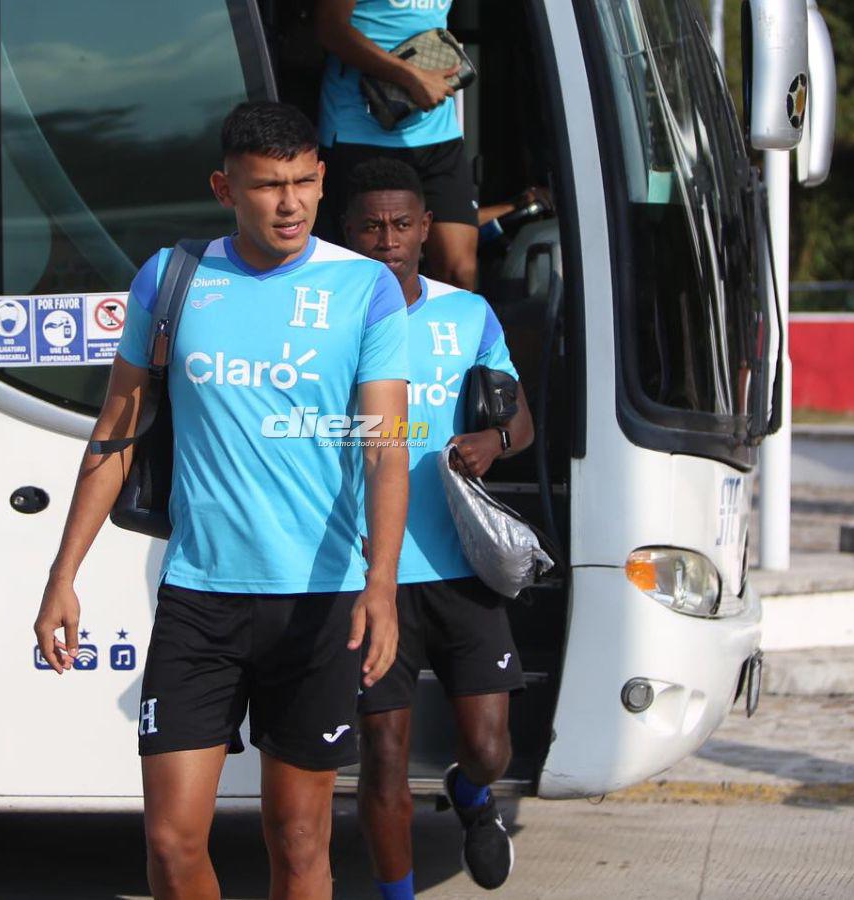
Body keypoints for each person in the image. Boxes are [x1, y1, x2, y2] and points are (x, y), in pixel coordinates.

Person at [33, 102, 411, 900]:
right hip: (200, 599)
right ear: (224, 187)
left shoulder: (364, 288)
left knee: (299, 838)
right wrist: (63, 573)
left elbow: (386, 449)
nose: (291, 204)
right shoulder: (170, 279)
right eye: (269, 186)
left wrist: (381, 582)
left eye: (305, 182)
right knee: (171, 843)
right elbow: (117, 431)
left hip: (320, 602)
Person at [341, 157, 534, 898]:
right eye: (370, 226)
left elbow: (518, 417)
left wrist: (494, 441)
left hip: (461, 566)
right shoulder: (330, 317)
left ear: (426, 228)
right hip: (368, 576)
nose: (387, 239)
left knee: (489, 747)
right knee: (383, 755)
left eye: (400, 224)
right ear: (347, 232)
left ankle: (474, 795)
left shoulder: (468, 314)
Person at [316, 0, 480, 291]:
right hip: (359, 132)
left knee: (459, 273)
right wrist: (409, 76)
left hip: (437, 131)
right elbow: (330, 28)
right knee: (370, 276)